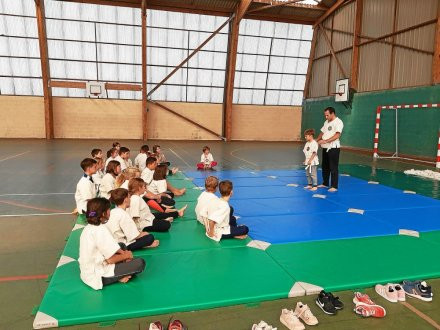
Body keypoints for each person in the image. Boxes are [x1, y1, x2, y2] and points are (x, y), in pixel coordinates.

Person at [79, 198, 145, 290]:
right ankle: (118, 276)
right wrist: (127, 255)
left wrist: (123, 253)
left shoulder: (88, 228)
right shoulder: (100, 229)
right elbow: (110, 260)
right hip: (98, 276)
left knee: (121, 245)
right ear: (103, 213)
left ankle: (121, 273)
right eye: (109, 209)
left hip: (87, 272)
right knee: (140, 263)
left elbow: (112, 249)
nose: (110, 211)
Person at [316, 107, 344, 192]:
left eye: (327, 115)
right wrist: (316, 140)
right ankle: (325, 183)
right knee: (325, 166)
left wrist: (325, 141)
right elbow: (322, 132)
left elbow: (337, 135)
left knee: (333, 167)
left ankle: (334, 186)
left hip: (333, 148)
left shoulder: (338, 122)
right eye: (325, 115)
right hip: (325, 148)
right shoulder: (326, 122)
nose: (326, 117)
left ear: (332, 114)